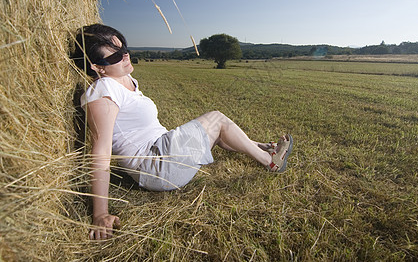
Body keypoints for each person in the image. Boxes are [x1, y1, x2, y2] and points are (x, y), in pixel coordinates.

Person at [72, 24, 293, 240]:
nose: (125, 56)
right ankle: (270, 161)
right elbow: (100, 152)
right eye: (115, 57)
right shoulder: (102, 90)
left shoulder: (125, 80)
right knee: (216, 119)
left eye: (124, 49)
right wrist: (100, 213)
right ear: (97, 67)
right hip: (154, 165)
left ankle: (259, 146)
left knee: (214, 132)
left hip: (161, 150)